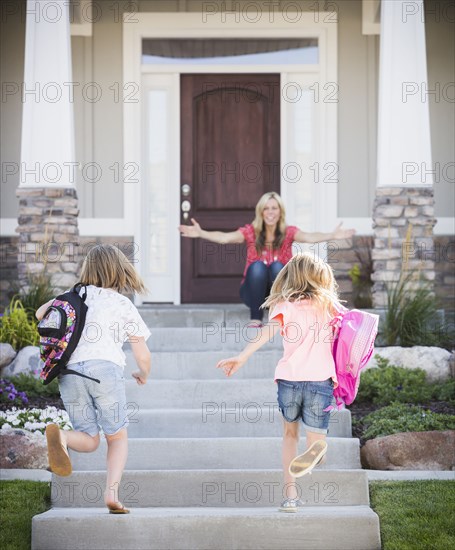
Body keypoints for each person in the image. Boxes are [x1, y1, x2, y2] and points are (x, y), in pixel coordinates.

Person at [216, 252, 340, 512]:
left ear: (291, 276)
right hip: (320, 381)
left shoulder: (283, 305)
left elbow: (265, 334)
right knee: (318, 446)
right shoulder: (328, 307)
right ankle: (317, 452)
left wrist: (242, 356)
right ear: (321, 278)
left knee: (289, 435)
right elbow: (350, 335)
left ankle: (290, 496)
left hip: (289, 381)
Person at [36, 244, 152, 514]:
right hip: (105, 372)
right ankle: (111, 494)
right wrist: (143, 373)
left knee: (89, 437)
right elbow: (142, 354)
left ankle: (63, 437)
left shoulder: (72, 296)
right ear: (120, 270)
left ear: (88, 270)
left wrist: (63, 299)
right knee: (117, 437)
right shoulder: (122, 303)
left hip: (69, 373)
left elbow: (41, 315)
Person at [179, 191, 354, 325]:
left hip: (279, 291)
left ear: (280, 212)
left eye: (274, 208)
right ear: (261, 212)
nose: (270, 212)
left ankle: (279, 312)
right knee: (258, 267)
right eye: (266, 208)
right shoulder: (250, 232)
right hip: (252, 293)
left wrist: (332, 235)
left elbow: (309, 237)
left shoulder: (288, 232)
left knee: (278, 267)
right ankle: (256, 318)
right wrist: (201, 233)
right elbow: (225, 238)